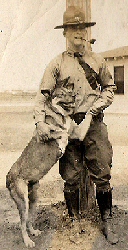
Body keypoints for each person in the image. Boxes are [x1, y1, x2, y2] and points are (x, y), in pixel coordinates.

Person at [34, 5, 119, 244]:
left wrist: (94, 109)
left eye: (82, 28)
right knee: (70, 175)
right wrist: (40, 121)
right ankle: (73, 219)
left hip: (93, 123)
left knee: (102, 171)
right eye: (73, 29)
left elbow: (110, 89)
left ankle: (106, 220)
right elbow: (43, 96)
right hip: (68, 126)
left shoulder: (97, 60)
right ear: (65, 33)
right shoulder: (57, 64)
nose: (79, 33)